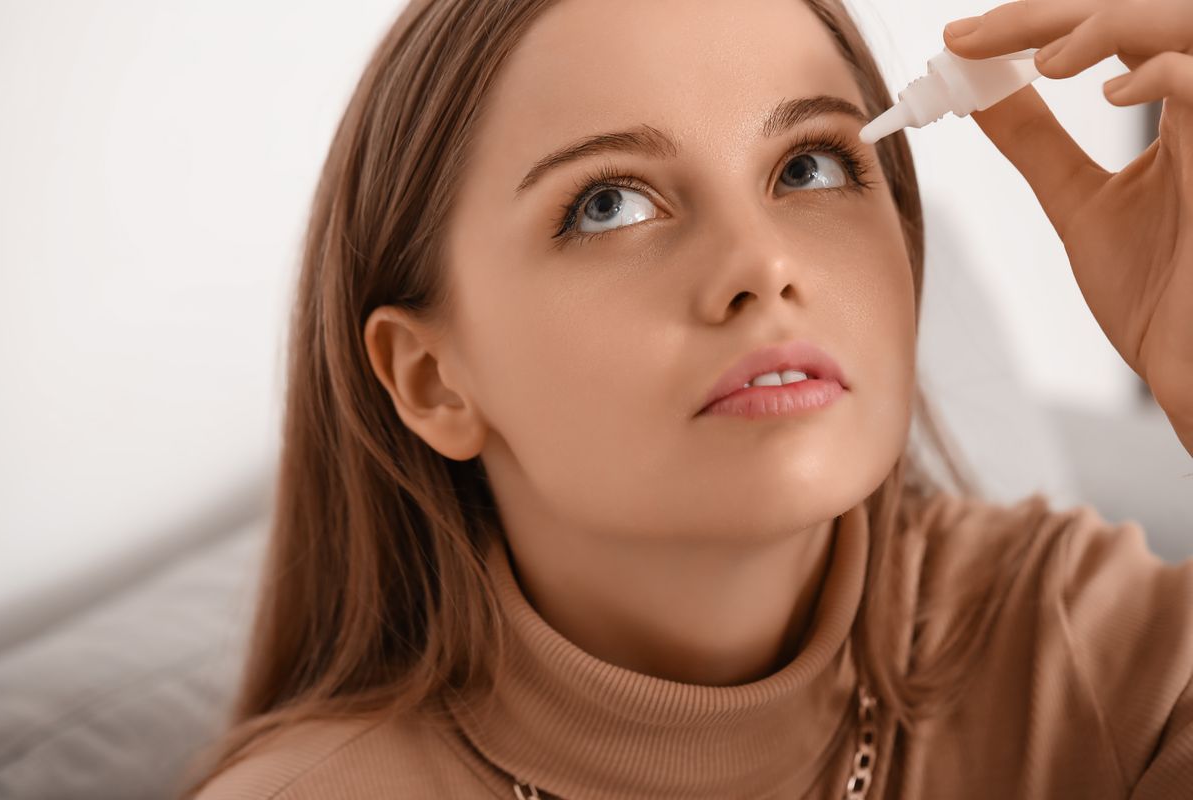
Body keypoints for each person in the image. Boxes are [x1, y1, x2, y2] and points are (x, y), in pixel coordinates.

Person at [183, 0, 1193, 797]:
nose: (762, 263)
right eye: (608, 202)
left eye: (808, 165)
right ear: (431, 377)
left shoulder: (1089, 648)